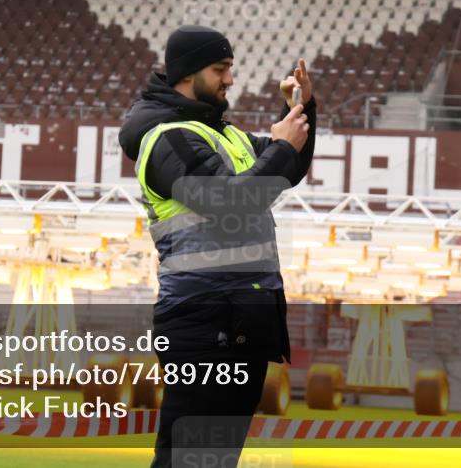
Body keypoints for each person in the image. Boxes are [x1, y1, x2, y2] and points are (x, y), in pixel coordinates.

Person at [119, 25, 316, 468]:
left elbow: (288, 164)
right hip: (204, 322)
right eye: (220, 69)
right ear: (188, 74)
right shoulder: (169, 140)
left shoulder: (222, 134)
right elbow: (233, 204)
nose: (230, 79)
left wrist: (303, 109)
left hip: (240, 317)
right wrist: (282, 145)